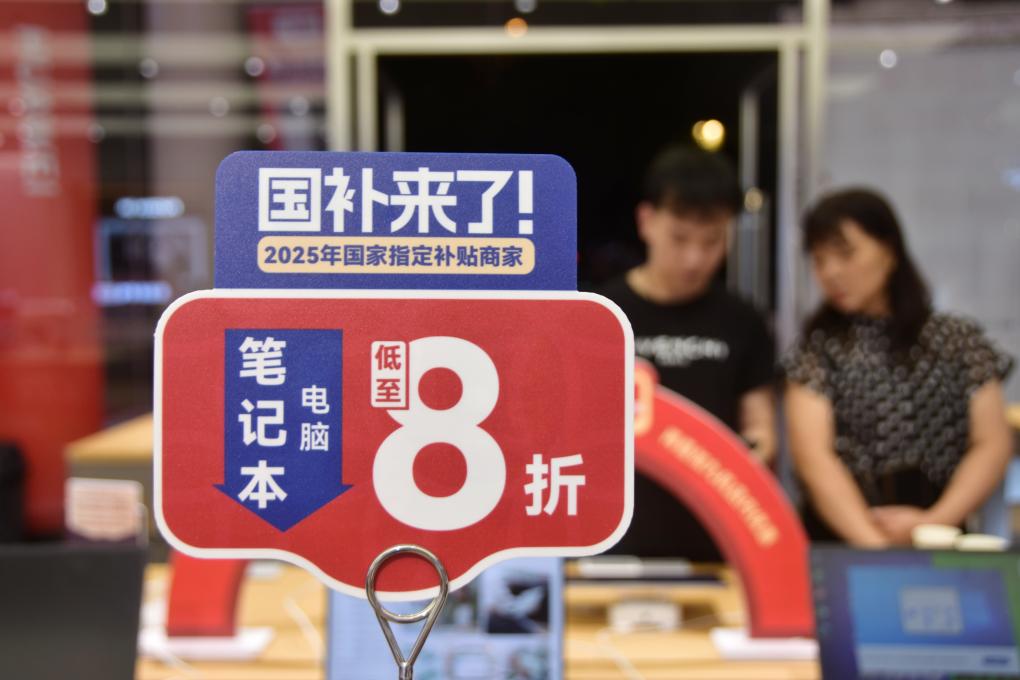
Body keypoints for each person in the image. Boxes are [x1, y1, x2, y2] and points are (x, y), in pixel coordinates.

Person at [783, 188, 1014, 546]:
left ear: (889, 250)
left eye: (845, 254)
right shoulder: (815, 349)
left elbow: (992, 444)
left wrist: (935, 523)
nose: (831, 272)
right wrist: (875, 547)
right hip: (842, 544)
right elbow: (813, 458)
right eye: (819, 260)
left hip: (941, 538)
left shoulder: (956, 339)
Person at [599, 145, 777, 559]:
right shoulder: (605, 314)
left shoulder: (743, 321)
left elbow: (761, 429)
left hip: (714, 541)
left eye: (712, 241)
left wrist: (752, 452)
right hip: (615, 540)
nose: (695, 259)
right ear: (646, 221)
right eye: (679, 239)